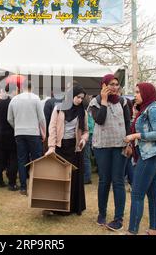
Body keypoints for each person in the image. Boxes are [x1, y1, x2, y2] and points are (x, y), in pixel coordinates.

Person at [88, 74, 130, 231]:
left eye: (116, 84)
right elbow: (99, 120)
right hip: (102, 146)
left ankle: (118, 219)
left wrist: (129, 143)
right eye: (111, 84)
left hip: (120, 146)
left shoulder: (124, 101)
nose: (114, 87)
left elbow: (127, 123)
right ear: (104, 85)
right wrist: (104, 101)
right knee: (104, 181)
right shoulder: (95, 102)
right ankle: (102, 214)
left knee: (118, 181)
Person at [124, 82, 156, 235]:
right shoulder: (145, 108)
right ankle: (154, 229)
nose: (135, 95)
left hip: (150, 156)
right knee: (153, 194)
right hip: (148, 155)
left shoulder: (153, 109)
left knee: (136, 194)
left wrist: (136, 135)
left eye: (138, 92)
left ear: (146, 93)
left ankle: (132, 231)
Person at [46, 85, 89, 215]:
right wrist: (51, 146)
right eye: (77, 97)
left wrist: (83, 140)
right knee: (59, 177)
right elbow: (52, 128)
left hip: (75, 148)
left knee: (74, 177)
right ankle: (58, 207)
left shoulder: (83, 112)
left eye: (82, 98)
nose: (79, 100)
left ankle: (75, 207)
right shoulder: (59, 108)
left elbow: (86, 131)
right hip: (60, 146)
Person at [7, 79, 46, 196]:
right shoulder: (35, 98)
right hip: (33, 133)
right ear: (32, 87)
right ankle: (37, 186)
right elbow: (41, 118)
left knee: (22, 160)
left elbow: (9, 118)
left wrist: (17, 127)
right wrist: (44, 132)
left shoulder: (14, 99)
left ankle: (23, 187)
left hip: (19, 133)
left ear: (21, 87)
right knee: (37, 160)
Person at [0, 83, 19, 191]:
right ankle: (12, 182)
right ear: (13, 91)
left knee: (0, 157)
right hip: (12, 133)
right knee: (13, 157)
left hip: (0, 133)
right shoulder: (15, 103)